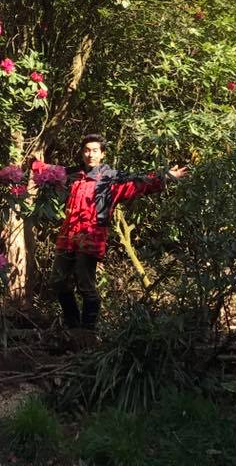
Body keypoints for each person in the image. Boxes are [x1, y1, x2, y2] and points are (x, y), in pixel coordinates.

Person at [49, 132, 188, 338]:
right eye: (87, 150)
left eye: (95, 150)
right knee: (58, 281)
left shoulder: (111, 179)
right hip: (68, 235)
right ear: (81, 152)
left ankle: (87, 333)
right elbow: (49, 173)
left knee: (85, 284)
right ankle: (72, 327)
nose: (90, 154)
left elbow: (138, 182)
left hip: (91, 237)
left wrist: (166, 177)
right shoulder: (74, 175)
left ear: (102, 153)